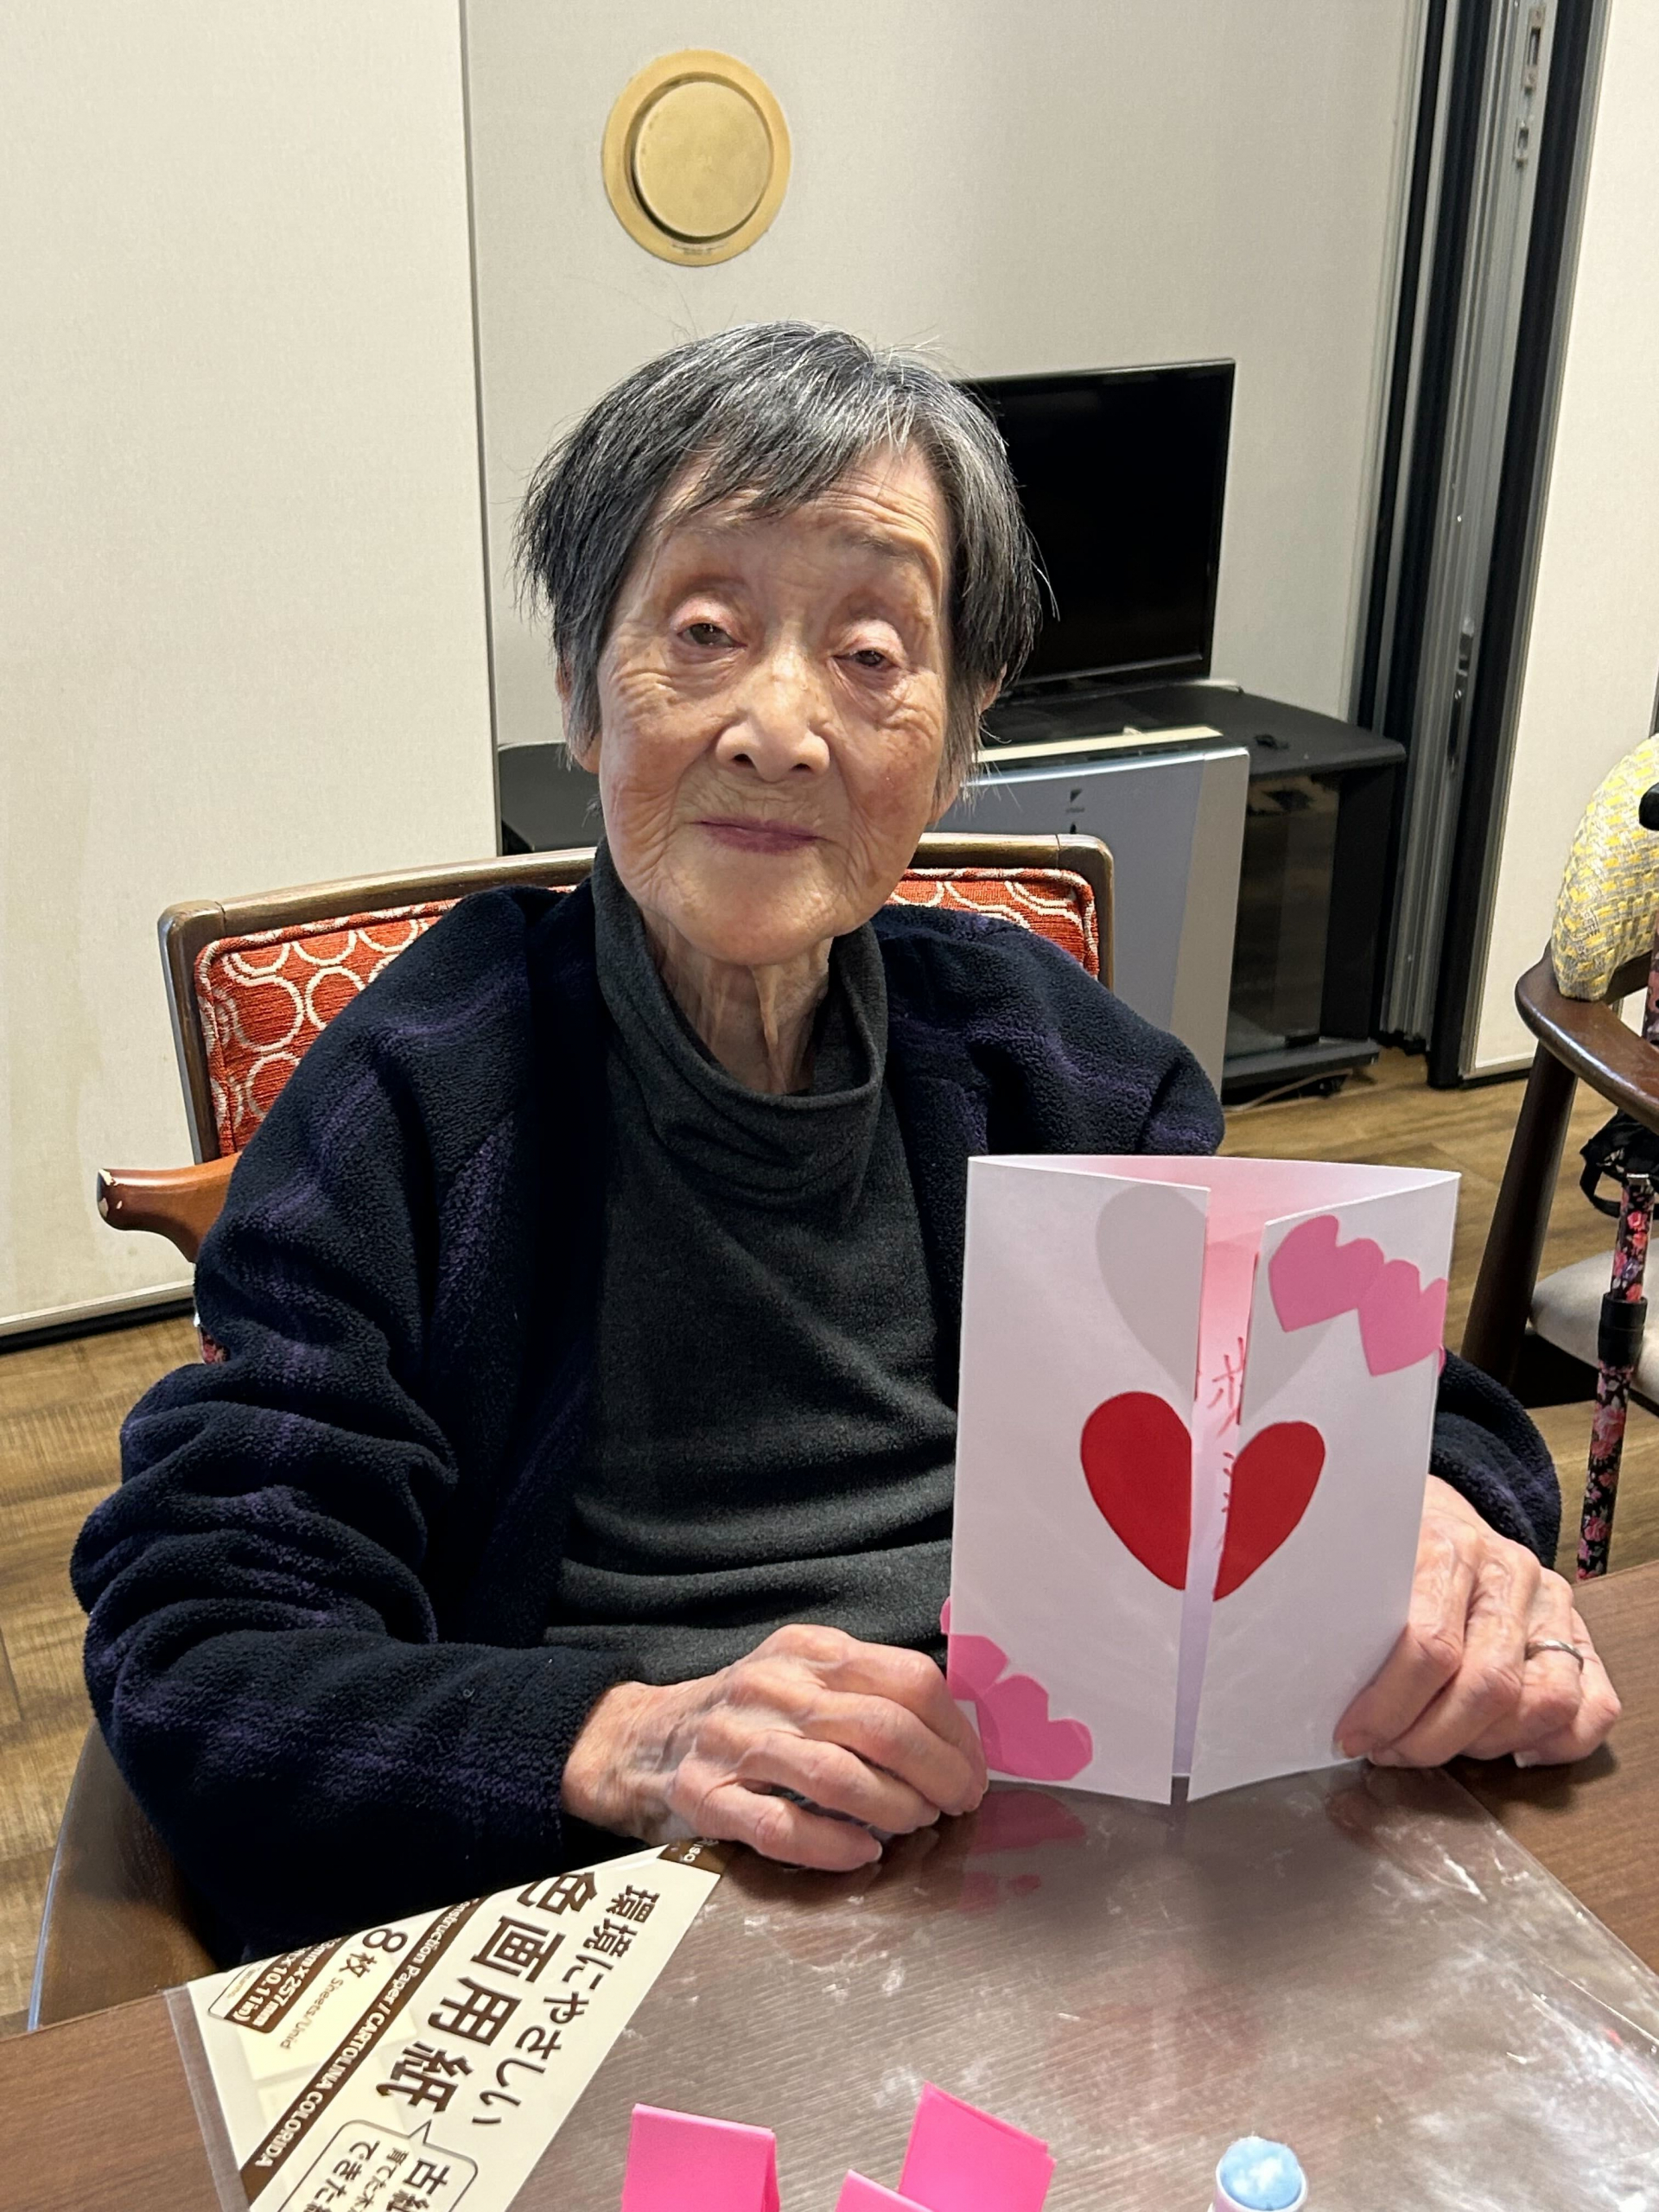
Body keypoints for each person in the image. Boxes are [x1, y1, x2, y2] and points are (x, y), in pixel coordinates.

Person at [73, 323, 1618, 1961]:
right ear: (582, 693)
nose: (780, 727)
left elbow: (1398, 1402)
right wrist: (629, 1742)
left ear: (954, 740)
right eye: (705, 631)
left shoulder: (1051, 1063)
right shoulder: (423, 1089)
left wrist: (1433, 1522)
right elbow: (202, 1640)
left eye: (873, 652)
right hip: (626, 1894)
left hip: (1063, 1865)